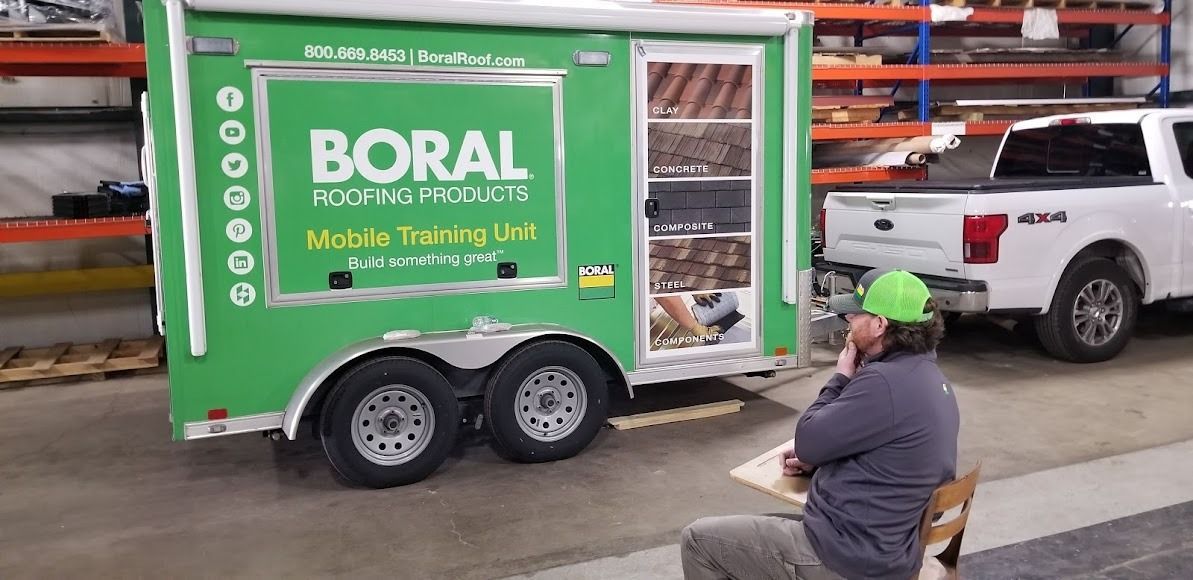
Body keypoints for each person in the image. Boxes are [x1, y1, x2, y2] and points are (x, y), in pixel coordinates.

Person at [680, 269, 961, 580]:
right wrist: (819, 463)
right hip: (887, 545)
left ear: (880, 325)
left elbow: (808, 440)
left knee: (698, 540)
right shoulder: (930, 378)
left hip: (849, 557)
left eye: (855, 316)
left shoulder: (882, 383)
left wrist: (841, 377)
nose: (848, 323)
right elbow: (886, 453)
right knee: (749, 533)